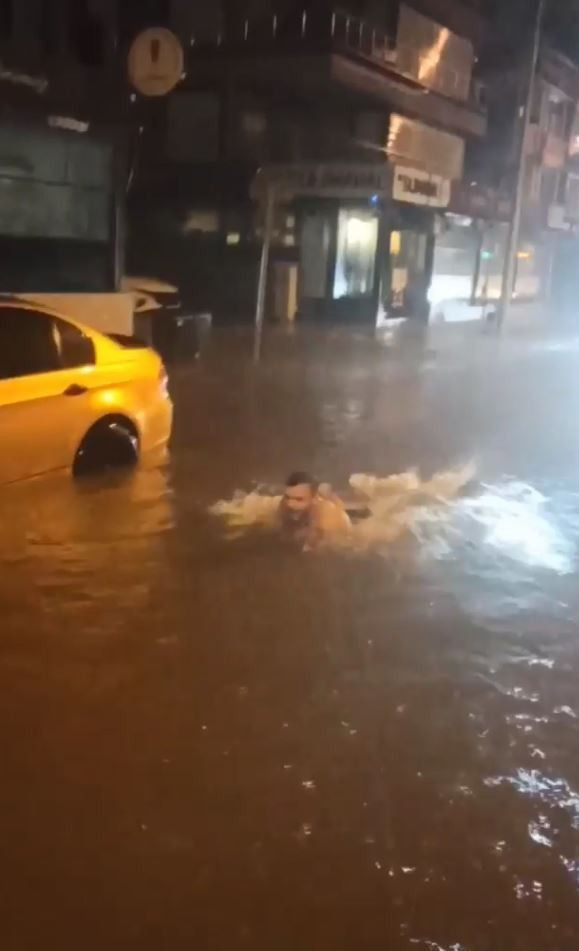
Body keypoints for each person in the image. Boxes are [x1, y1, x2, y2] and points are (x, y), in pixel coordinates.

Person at [279, 472, 352, 550]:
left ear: (314, 499)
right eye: (287, 497)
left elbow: (322, 552)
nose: (290, 504)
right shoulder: (284, 504)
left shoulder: (326, 519)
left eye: (299, 499)